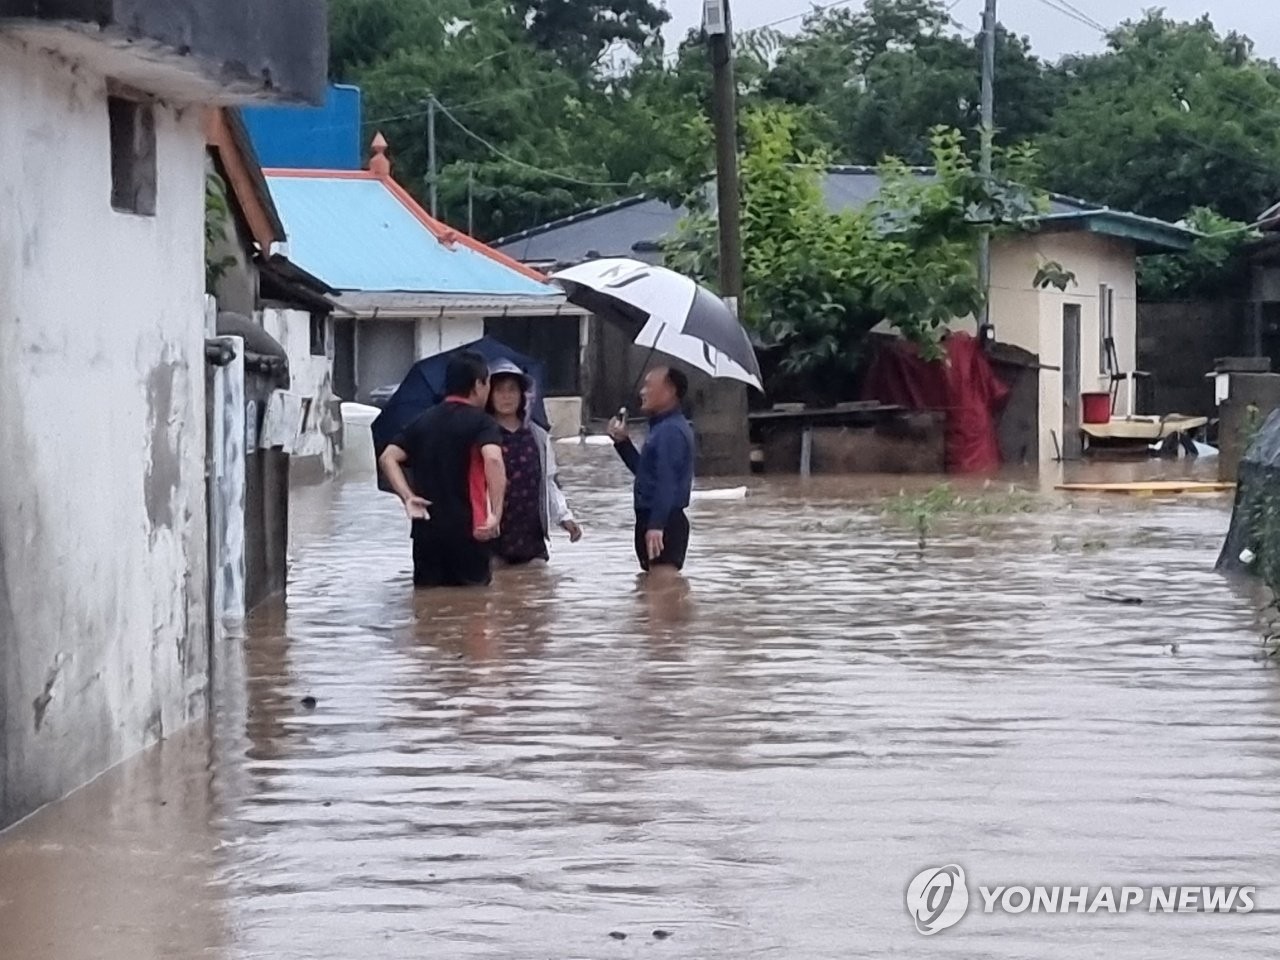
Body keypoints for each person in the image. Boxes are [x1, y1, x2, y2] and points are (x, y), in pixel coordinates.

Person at [379, 351, 507, 588]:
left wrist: (408, 497)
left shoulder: (422, 421)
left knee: (428, 607)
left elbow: (388, 457)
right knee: (474, 609)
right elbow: (494, 460)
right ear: (478, 384)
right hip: (470, 532)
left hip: (426, 533)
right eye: (488, 382)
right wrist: (496, 513)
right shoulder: (483, 423)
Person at [484, 358, 583, 566]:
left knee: (536, 585)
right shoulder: (482, 434)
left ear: (523, 395)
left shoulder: (538, 435)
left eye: (512, 390)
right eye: (499, 390)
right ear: (489, 396)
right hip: (493, 533)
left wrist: (565, 517)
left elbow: (548, 481)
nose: (506, 397)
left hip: (531, 534)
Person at [607, 366, 696, 573]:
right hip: (652, 518)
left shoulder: (670, 431)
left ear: (670, 390)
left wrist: (657, 525)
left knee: (662, 592)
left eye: (648, 385)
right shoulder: (660, 428)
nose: (642, 392)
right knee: (653, 594)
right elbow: (646, 475)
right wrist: (623, 443)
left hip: (664, 522)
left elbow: (667, 482)